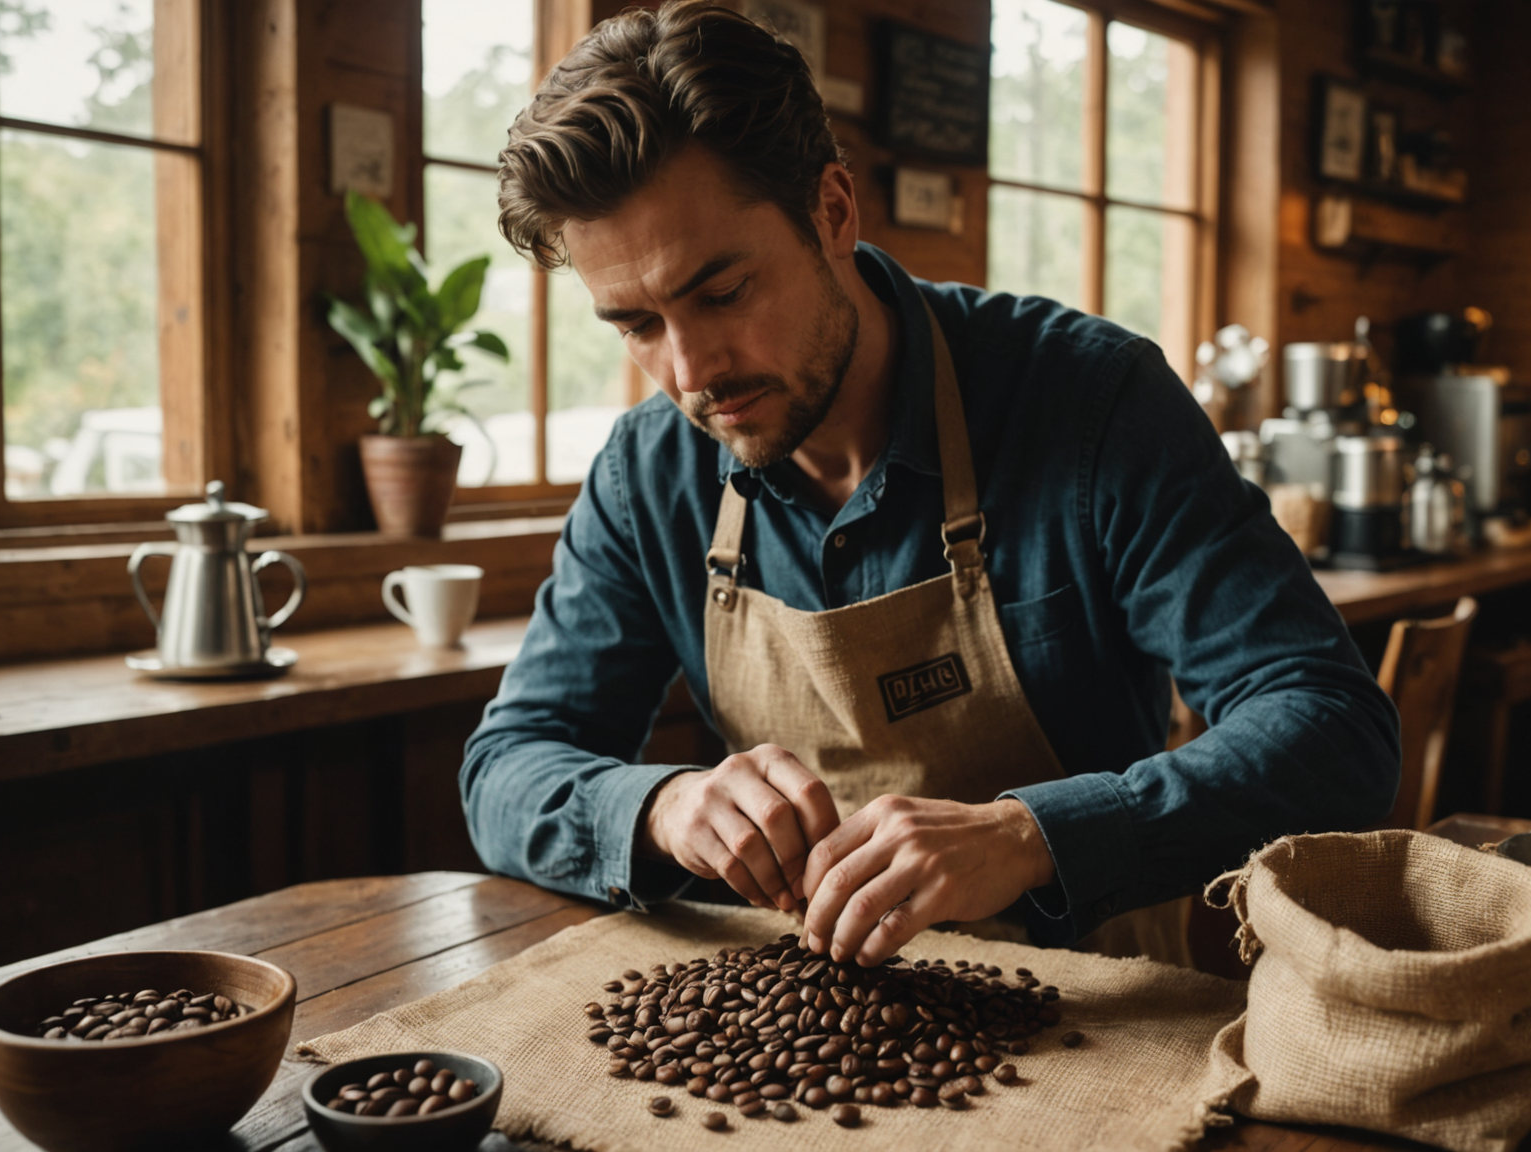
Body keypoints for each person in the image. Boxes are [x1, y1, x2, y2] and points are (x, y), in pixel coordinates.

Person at [461, 0, 1400, 969]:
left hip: (1101, 1017)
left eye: (723, 292)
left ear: (832, 211)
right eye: (636, 326)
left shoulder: (1093, 403)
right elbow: (507, 768)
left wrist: (1029, 836)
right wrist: (660, 806)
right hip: (798, 1024)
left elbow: (1333, 730)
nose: (691, 370)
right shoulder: (646, 472)